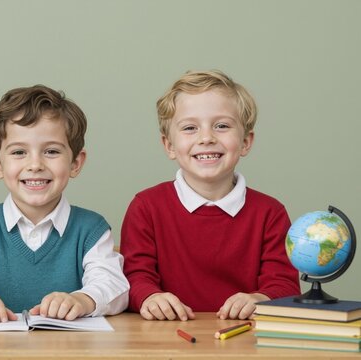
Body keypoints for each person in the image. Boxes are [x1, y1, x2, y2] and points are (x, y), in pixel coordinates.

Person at [0, 85, 129, 323]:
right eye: (19, 152)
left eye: (52, 151)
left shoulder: (91, 229)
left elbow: (114, 285)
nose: (35, 164)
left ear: (75, 163)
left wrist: (83, 300)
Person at [120, 70, 300, 321]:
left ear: (246, 142)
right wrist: (150, 297)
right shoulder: (146, 207)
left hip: (244, 341)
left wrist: (260, 299)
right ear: (169, 145)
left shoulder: (270, 213)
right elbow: (135, 277)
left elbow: (285, 285)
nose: (206, 138)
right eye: (190, 128)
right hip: (168, 338)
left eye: (222, 126)